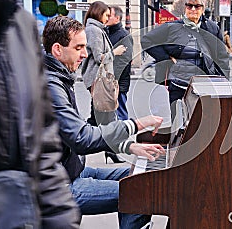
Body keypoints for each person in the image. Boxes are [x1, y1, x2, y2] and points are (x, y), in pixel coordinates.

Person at [0, 0, 80, 228]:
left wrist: (61, 220)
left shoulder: (19, 22)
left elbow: (42, 146)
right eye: (79, 47)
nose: (84, 54)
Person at [42, 16, 165, 229]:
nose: (84, 54)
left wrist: (128, 146)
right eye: (79, 47)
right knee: (141, 190)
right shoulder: (51, 86)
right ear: (57, 49)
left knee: (138, 176)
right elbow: (81, 139)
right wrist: (135, 124)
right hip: (58, 185)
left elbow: (81, 131)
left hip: (70, 170)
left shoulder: (59, 77)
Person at [141, 0, 230, 110]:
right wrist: (165, 58)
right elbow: (147, 40)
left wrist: (224, 81)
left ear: (203, 9)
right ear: (185, 8)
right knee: (178, 122)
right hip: (178, 85)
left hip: (205, 85)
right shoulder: (172, 27)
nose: (193, 9)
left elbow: (221, 57)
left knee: (202, 123)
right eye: (189, 6)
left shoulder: (212, 28)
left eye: (197, 6)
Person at [81, 1, 126, 126]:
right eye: (106, 15)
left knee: (99, 113)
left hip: (99, 78)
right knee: (101, 114)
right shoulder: (93, 30)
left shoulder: (97, 29)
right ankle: (94, 139)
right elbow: (99, 58)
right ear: (98, 14)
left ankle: (94, 138)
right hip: (98, 78)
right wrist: (114, 52)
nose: (107, 19)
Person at [106, 5, 133, 121]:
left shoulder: (123, 35)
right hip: (111, 81)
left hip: (118, 82)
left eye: (109, 15)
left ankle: (123, 135)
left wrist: (113, 79)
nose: (106, 18)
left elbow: (124, 61)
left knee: (120, 111)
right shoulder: (107, 32)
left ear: (117, 18)